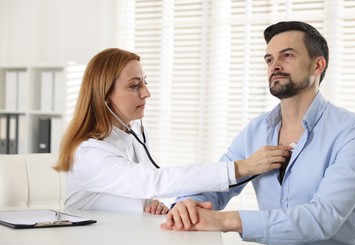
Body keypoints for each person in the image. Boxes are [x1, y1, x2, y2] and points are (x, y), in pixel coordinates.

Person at [161, 21, 355, 245]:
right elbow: (218, 183)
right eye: (269, 59)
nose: (275, 65)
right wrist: (187, 204)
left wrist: (224, 220)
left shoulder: (354, 133)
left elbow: (322, 218)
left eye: (287, 56)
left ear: (318, 65)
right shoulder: (256, 130)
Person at [53, 48, 291, 215]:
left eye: (145, 82)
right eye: (135, 86)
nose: (146, 93)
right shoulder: (89, 152)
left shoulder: (132, 133)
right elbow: (152, 181)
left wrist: (146, 203)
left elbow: (129, 190)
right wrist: (244, 167)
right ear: (104, 97)